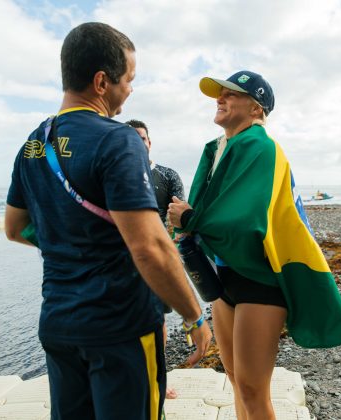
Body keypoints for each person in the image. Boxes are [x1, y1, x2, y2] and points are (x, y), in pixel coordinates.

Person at [4, 22, 211, 420]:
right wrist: (194, 316)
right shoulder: (118, 139)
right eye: (129, 79)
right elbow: (149, 248)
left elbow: (14, 229)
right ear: (102, 81)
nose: (130, 89)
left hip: (59, 323)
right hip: (120, 327)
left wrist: (70, 242)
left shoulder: (32, 144)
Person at [168, 70, 341, 419]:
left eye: (231, 94)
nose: (221, 99)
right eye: (219, 94)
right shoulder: (220, 148)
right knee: (236, 380)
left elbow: (248, 218)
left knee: (254, 388)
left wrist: (190, 220)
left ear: (256, 108)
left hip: (260, 280)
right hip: (226, 278)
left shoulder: (261, 146)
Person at [126, 118, 186, 399]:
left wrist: (168, 247)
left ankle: (158, 380)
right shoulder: (113, 173)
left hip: (157, 258)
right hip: (121, 260)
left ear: (149, 143)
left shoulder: (167, 175)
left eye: (142, 138)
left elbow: (179, 216)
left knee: (156, 321)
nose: (137, 143)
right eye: (130, 138)